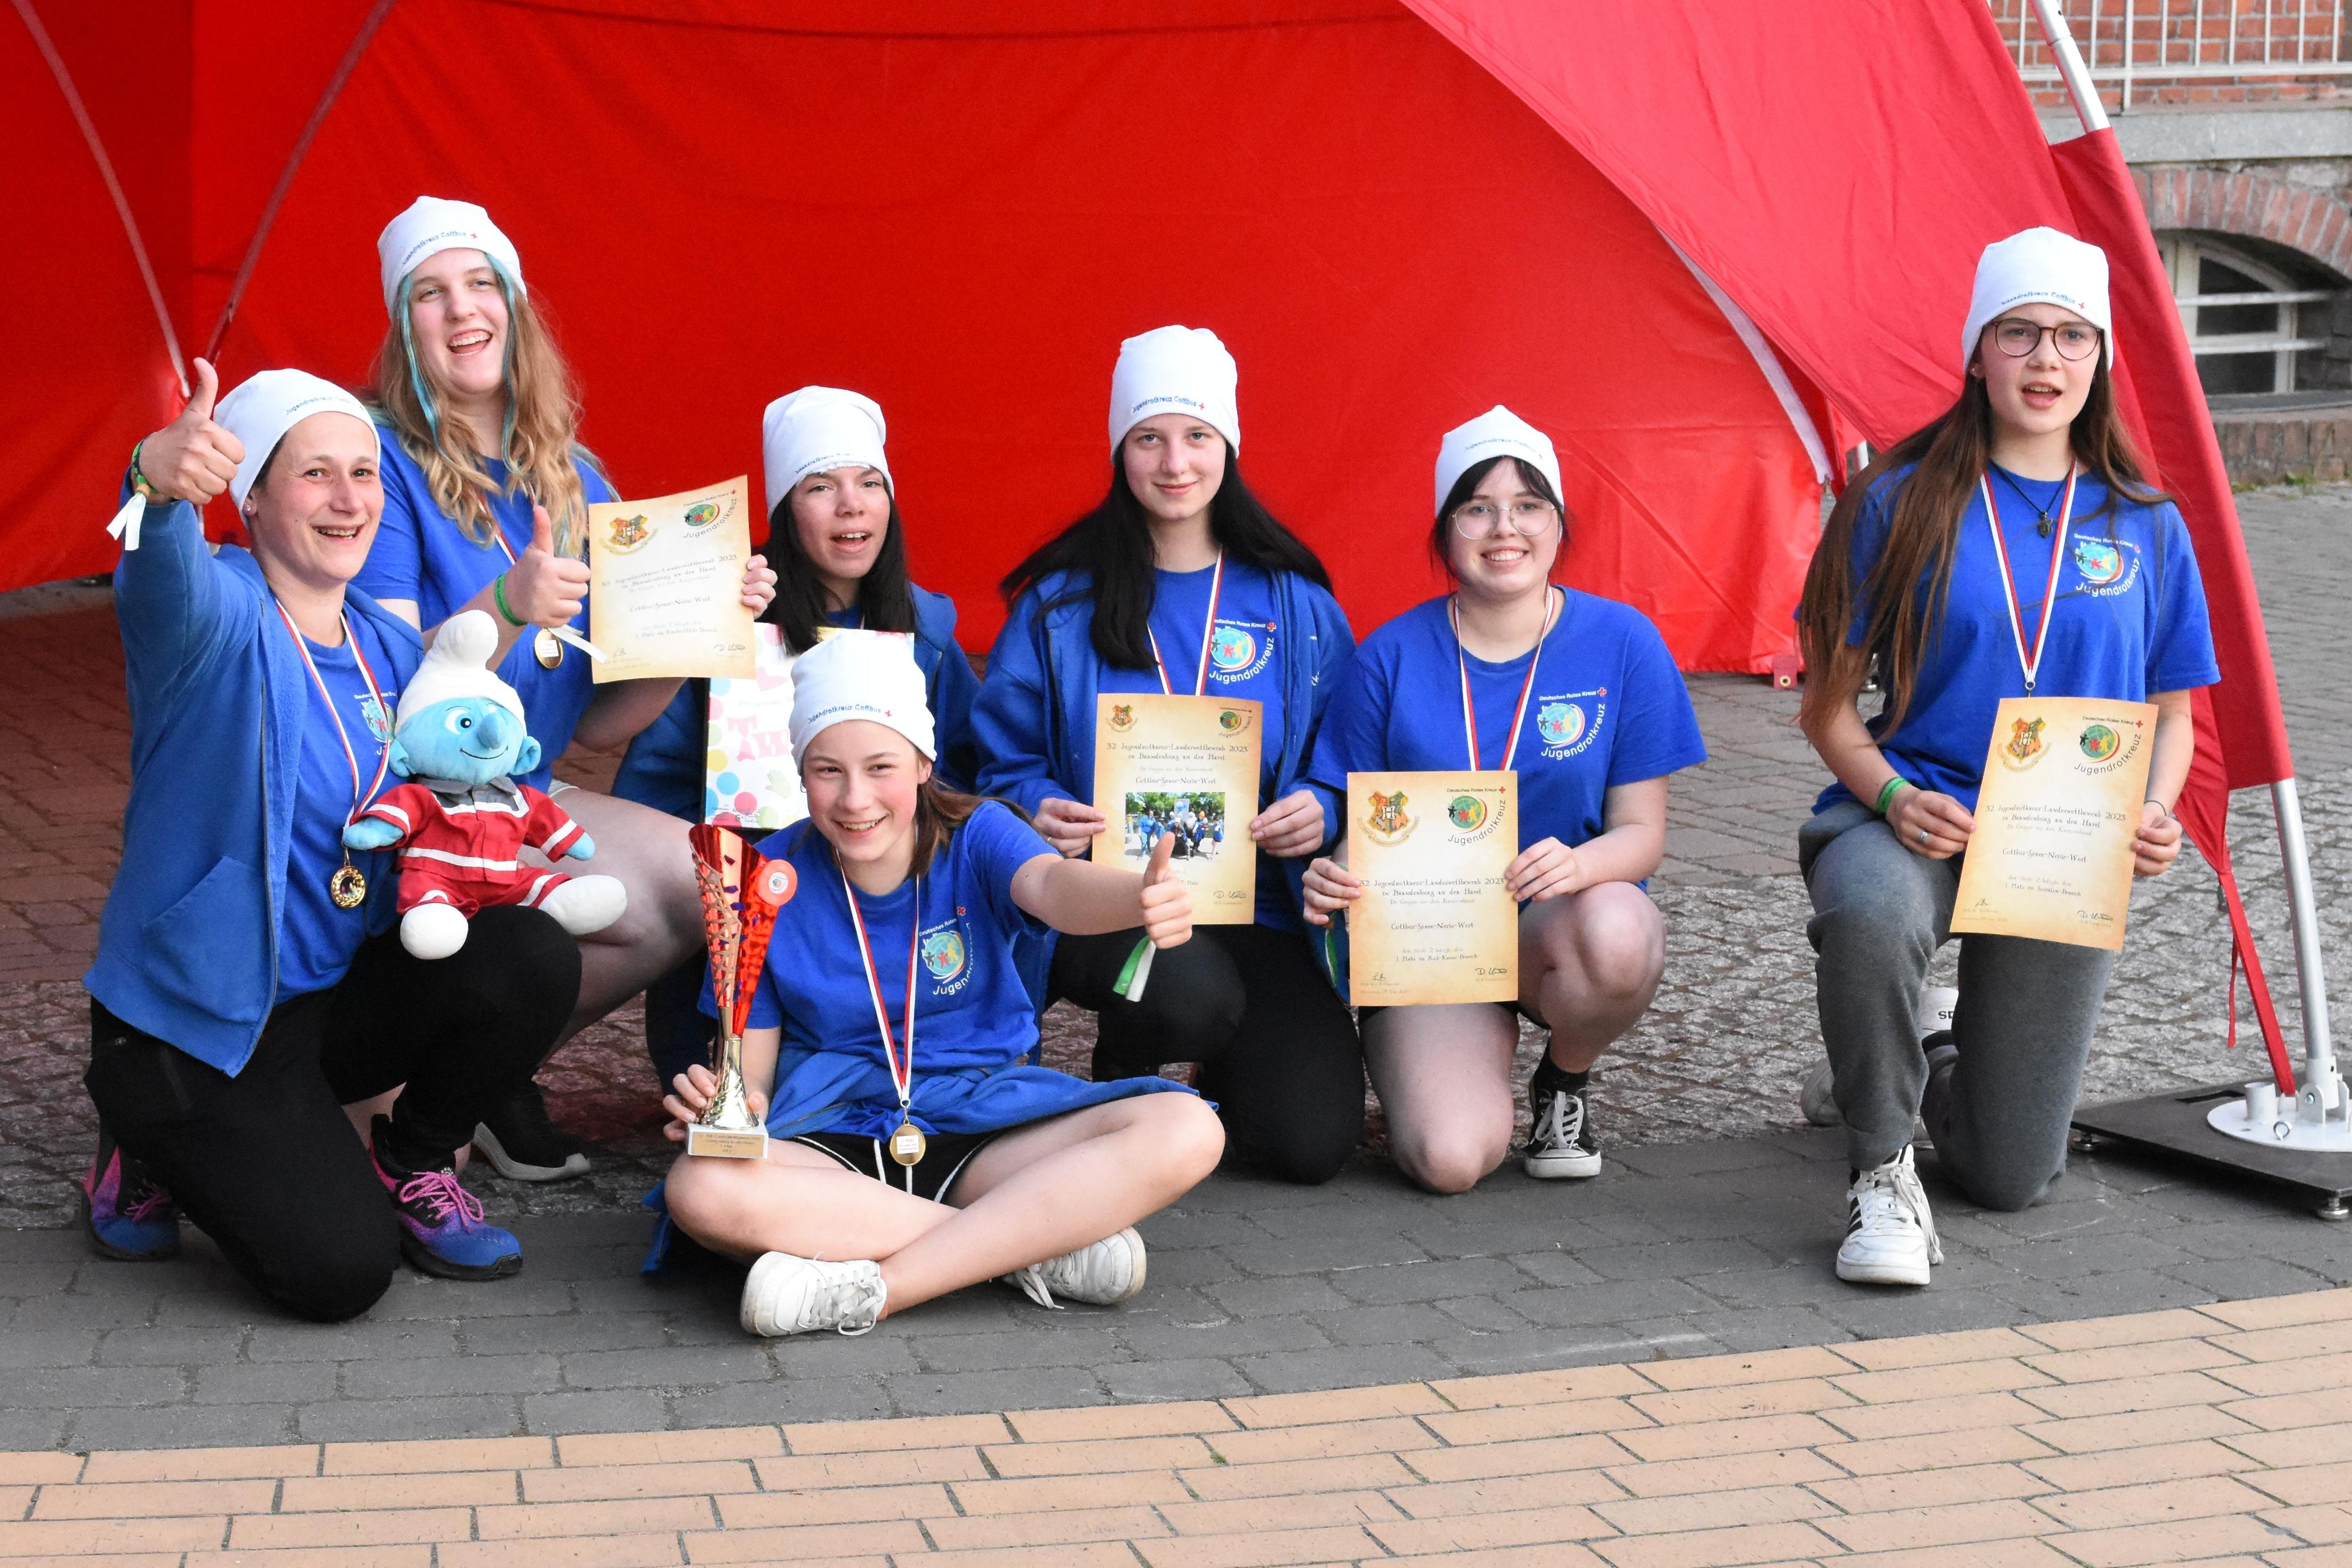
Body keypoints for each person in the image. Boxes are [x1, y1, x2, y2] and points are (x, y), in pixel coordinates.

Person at [79, 362, 583, 1318]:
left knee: (530, 951)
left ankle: (411, 1158)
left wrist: (510, 604)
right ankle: (145, 1126)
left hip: (333, 1000)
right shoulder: (212, 614)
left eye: (364, 472)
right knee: (338, 1272)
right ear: (254, 497)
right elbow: (154, 568)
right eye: (315, 475)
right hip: (208, 1015)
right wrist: (150, 477)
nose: (349, 499)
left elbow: (448, 656)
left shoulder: (377, 644)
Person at [1793, 228, 2218, 1286]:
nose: (2045, 359)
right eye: (2019, 331)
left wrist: (2151, 810)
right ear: (1976, 352)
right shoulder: (1895, 504)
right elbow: (1825, 710)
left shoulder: (2146, 524)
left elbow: (2173, 713)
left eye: (2071, 335)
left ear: (2099, 358)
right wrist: (1890, 799)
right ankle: (1879, 1168)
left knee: (2008, 1172)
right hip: (1919, 813)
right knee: (1868, 911)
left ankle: (1904, 1056)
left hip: (2063, 847)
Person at [354, 197, 776, 1182]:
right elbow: (383, 668)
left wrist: (703, 630)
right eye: (430, 293)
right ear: (402, 325)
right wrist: (507, 601)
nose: (463, 310)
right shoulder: (380, 459)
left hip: (526, 793)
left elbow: (598, 718)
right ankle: (437, 1074)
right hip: (408, 797)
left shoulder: (574, 475)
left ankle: (493, 1067)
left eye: (480, 284)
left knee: (704, 884)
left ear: (514, 304)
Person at [655, 634, 1225, 1336]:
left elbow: (1050, 886)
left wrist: (1133, 895)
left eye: (881, 767)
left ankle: (880, 1287)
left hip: (984, 1122)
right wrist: (725, 1108)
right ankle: (1028, 1246)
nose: (855, 797)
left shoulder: (979, 831)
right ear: (799, 771)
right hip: (834, 1137)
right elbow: (754, 1072)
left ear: (924, 764)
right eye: (827, 769)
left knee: (1188, 1128)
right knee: (701, 1186)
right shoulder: (760, 877)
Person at [972, 326, 1364, 1185]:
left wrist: (1321, 803)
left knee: (1309, 1143)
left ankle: (1218, 1072)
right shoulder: (1060, 602)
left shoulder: (1294, 601)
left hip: (1254, 903)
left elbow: (1345, 752)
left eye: (1197, 435)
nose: (1174, 461)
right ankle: (1122, 1084)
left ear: (1228, 444)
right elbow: (994, 763)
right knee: (1188, 994)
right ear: (1120, 450)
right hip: (1109, 895)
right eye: (1148, 437)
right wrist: (1034, 802)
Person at [1301, 408, 1706, 1192]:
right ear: (1445, 531)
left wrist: (1577, 862)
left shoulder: (1622, 643)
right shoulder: (1387, 654)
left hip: (1548, 928)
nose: (1503, 528)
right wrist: (1331, 873)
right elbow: (1353, 824)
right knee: (1449, 1161)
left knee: (1620, 930)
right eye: (1476, 507)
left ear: (1557, 525)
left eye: (1527, 506)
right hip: (1429, 947)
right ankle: (1413, 1060)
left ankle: (1563, 1078)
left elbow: (1641, 836)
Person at [614, 387, 982, 1088]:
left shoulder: (927, 631)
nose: (852, 504)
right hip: (745, 919)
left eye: (870, 483)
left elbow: (965, 779)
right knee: (724, 1091)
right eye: (821, 486)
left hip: (881, 913)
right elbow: (653, 793)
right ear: (786, 512)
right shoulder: (729, 618)